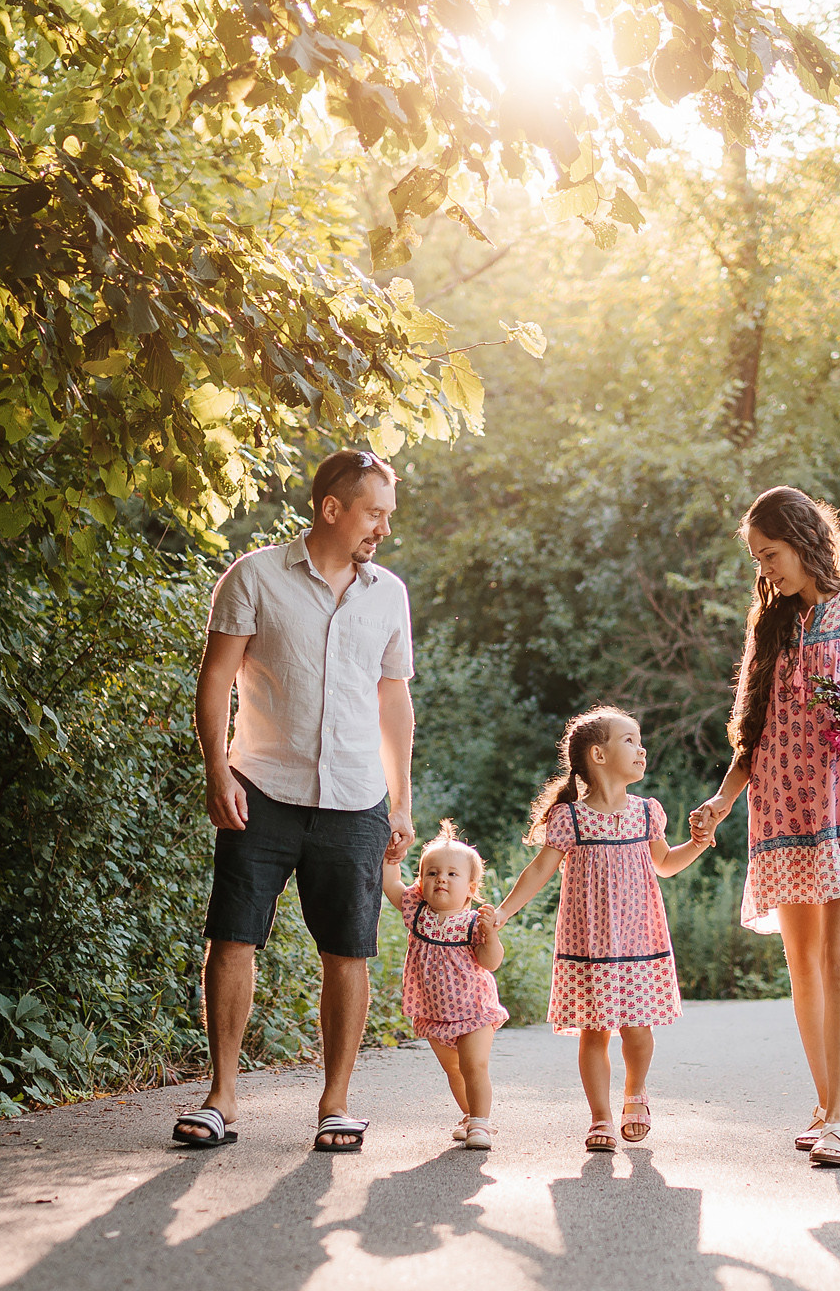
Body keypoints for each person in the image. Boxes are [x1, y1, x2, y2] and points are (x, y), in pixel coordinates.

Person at [688, 487, 840, 1170]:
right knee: (801, 965)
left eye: (771, 554)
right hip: (780, 814)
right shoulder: (770, 628)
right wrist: (720, 800)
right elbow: (753, 736)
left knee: (839, 959)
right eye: (757, 559)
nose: (765, 569)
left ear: (804, 540)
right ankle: (826, 1108)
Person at [179, 449, 415, 1153]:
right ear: (331, 508)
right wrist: (217, 768)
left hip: (354, 798)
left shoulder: (388, 593)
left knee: (348, 950)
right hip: (262, 788)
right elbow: (216, 676)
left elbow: (394, 698)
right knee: (233, 937)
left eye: (388, 516)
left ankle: (335, 1103)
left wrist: (400, 801)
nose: (382, 528)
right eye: (374, 513)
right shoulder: (254, 576)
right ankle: (221, 1095)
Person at [487, 708, 716, 1152]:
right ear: (598, 754)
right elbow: (538, 872)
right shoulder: (570, 819)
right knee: (594, 1032)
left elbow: (665, 865)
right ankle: (600, 1117)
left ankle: (635, 1094)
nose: (641, 748)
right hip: (588, 943)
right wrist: (502, 912)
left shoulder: (647, 812)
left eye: (640, 740)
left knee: (638, 1028)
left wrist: (700, 842)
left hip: (639, 940)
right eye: (629, 740)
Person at [381, 821, 508, 1150]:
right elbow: (392, 885)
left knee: (473, 1065)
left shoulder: (472, 923)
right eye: (433, 873)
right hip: (434, 1012)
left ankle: (481, 1122)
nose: (441, 879)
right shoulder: (417, 913)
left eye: (453, 874)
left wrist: (491, 936)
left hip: (473, 1010)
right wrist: (390, 855)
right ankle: (470, 1115)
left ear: (470, 887)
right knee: (454, 1071)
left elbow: (490, 961)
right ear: (421, 882)